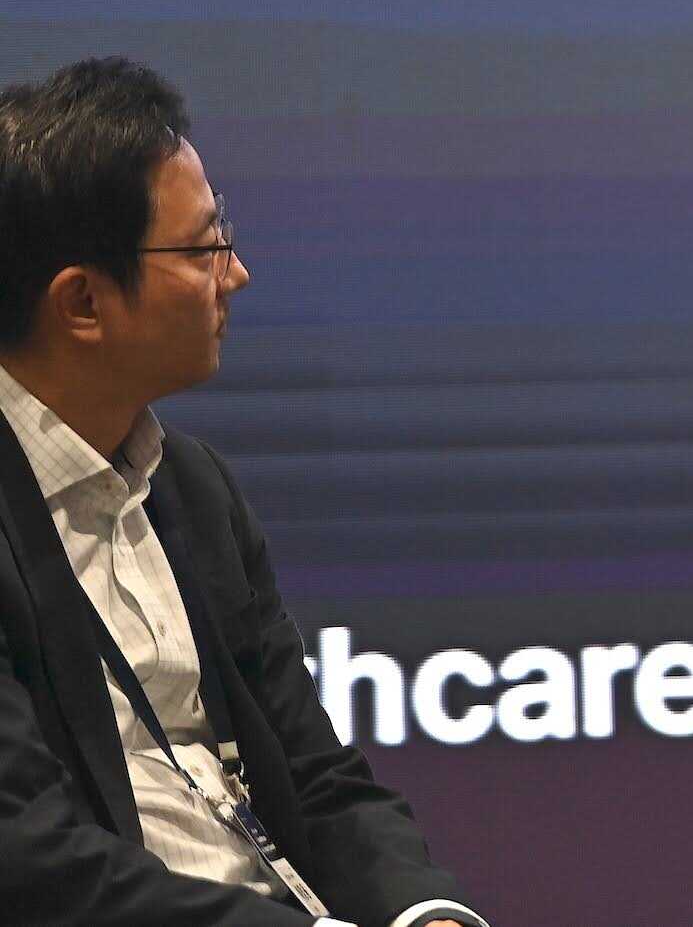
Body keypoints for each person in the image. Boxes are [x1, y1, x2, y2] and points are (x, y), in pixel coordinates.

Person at [0, 57, 489, 927]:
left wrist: (426, 914)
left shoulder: (193, 490)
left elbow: (317, 777)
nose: (237, 274)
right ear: (82, 303)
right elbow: (30, 859)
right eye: (201, 249)